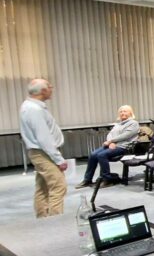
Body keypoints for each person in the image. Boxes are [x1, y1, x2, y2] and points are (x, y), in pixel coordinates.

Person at [19, 78, 67, 218]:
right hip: (44, 153)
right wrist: (58, 159)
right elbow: (44, 138)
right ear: (43, 91)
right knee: (58, 186)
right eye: (50, 87)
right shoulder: (34, 109)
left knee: (43, 187)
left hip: (40, 152)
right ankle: (56, 221)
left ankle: (42, 218)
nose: (52, 89)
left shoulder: (31, 106)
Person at [76, 105, 139, 189]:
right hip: (112, 145)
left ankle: (107, 179)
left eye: (125, 111)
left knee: (101, 155)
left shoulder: (133, 123)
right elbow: (110, 134)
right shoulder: (118, 124)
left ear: (130, 113)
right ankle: (87, 180)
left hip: (124, 147)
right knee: (93, 154)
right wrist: (110, 142)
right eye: (121, 111)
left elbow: (126, 135)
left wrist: (112, 141)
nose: (122, 113)